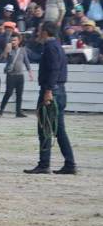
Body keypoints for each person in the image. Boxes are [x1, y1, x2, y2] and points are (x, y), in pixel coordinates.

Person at [24, 21, 76, 175]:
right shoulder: (57, 46)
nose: (38, 33)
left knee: (45, 128)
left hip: (51, 91)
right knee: (58, 130)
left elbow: (53, 70)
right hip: (59, 90)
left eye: (40, 30)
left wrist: (48, 91)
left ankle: (45, 163)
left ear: (46, 32)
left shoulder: (51, 47)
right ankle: (69, 163)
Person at [0, 33, 33, 118]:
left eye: (15, 40)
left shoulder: (23, 50)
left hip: (20, 75)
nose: (13, 42)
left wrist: (30, 72)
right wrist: (6, 51)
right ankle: (1, 110)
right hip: (11, 75)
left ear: (19, 41)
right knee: (8, 93)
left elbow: (26, 61)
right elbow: (2, 58)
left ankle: (18, 111)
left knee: (19, 94)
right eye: (12, 40)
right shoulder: (9, 49)